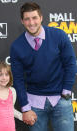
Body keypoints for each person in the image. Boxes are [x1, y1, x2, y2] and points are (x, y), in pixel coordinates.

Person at [10, 2, 76, 131]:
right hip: (34, 104)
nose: (31, 22)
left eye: (34, 17)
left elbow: (71, 63)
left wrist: (66, 92)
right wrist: (25, 107)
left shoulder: (59, 35)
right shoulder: (16, 46)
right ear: (22, 21)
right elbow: (18, 79)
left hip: (61, 100)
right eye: (27, 19)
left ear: (41, 18)